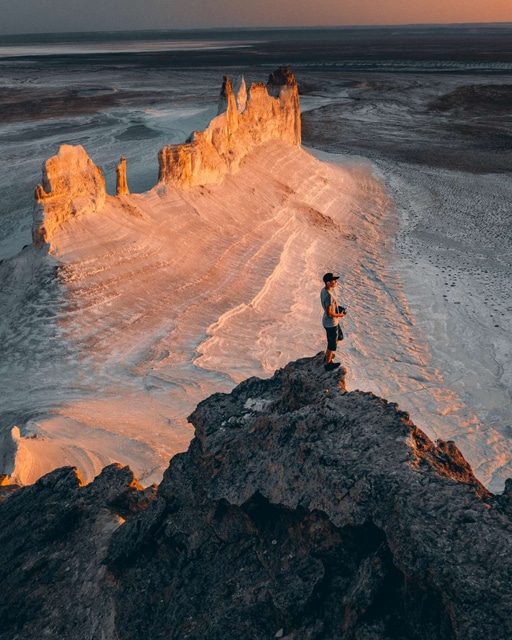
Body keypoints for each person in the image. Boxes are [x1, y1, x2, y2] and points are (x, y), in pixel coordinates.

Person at [320, 272, 346, 371]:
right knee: (332, 344)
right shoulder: (328, 295)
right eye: (334, 280)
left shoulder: (323, 290)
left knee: (339, 337)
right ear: (328, 283)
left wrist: (337, 309)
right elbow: (329, 313)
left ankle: (328, 355)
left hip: (331, 322)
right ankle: (328, 364)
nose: (335, 282)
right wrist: (340, 315)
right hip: (331, 323)